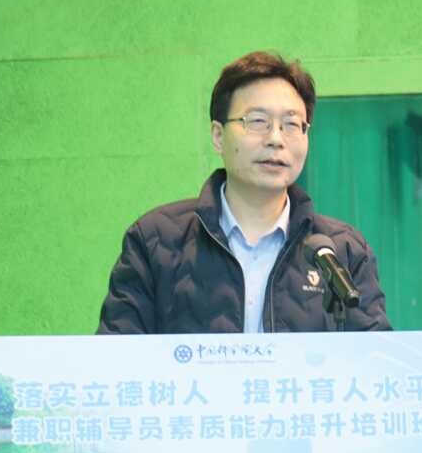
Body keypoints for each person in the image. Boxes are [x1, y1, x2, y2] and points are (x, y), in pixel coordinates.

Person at [96, 51, 391, 334]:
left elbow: (376, 358)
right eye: (258, 121)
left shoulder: (342, 251)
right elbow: (118, 355)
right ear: (218, 136)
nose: (276, 139)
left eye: (291, 124)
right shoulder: (155, 240)